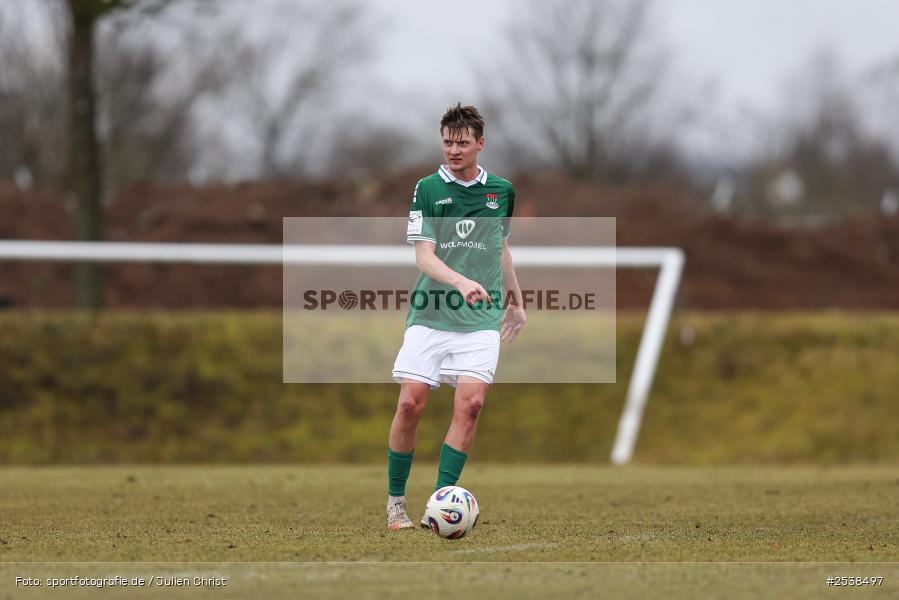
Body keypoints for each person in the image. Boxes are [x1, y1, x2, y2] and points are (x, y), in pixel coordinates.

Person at [386, 103, 526, 530]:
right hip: (431, 313)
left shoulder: (501, 191)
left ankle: (438, 505)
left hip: (480, 319)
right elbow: (423, 257)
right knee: (411, 404)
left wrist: (517, 299)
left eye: (462, 143)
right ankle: (395, 503)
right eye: (447, 142)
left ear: (480, 144)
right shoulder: (427, 189)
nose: (453, 149)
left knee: (472, 406)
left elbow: (499, 246)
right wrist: (461, 281)